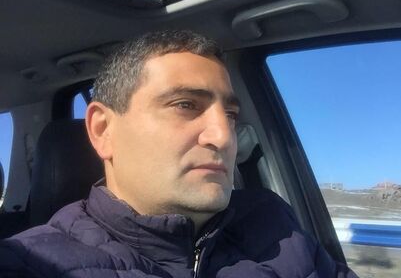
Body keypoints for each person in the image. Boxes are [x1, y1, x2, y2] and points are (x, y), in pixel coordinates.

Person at [0, 30, 358, 277]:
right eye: (185, 104)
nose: (223, 136)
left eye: (230, 115)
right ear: (103, 130)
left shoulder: (278, 230)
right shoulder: (29, 262)